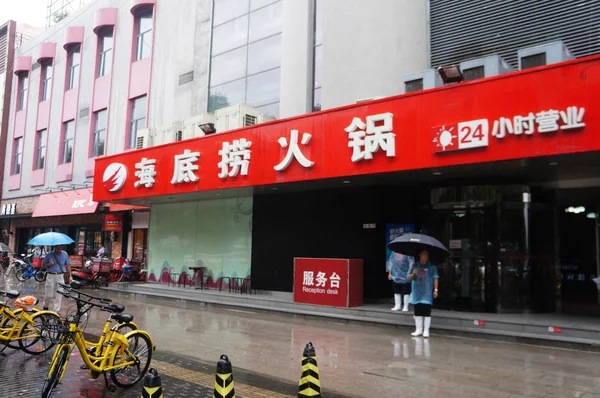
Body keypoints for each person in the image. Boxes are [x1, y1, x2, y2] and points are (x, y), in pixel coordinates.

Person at [408, 249, 439, 338]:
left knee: (427, 311)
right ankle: (418, 329)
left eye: (427, 254)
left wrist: (436, 290)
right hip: (417, 292)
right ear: (420, 255)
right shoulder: (414, 265)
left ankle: (426, 330)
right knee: (417, 311)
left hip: (427, 292)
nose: (426, 256)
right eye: (424, 254)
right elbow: (409, 278)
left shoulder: (432, 267)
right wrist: (413, 274)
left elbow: (435, 278)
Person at [41, 245, 72, 312]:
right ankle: (45, 306)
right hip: (51, 275)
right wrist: (49, 264)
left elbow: (68, 265)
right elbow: (43, 266)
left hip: (60, 276)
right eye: (57, 247)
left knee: (59, 294)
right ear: (54, 247)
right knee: (49, 294)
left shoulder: (65, 254)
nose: (59, 249)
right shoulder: (49, 255)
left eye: (60, 247)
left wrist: (70, 276)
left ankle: (56, 311)